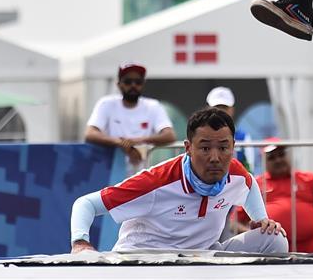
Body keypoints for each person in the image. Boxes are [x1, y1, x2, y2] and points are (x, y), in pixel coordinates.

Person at [70, 108, 288, 255]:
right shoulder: (154, 182)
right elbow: (85, 204)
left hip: (204, 257)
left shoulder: (237, 173)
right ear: (188, 148)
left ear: (233, 147)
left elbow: (248, 186)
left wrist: (261, 219)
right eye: (204, 148)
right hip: (144, 262)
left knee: (275, 239)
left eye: (223, 148)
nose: (215, 157)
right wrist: (80, 243)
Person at [236, 140, 313, 253]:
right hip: (273, 245)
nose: (278, 160)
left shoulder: (309, 179)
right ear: (264, 161)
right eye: (272, 157)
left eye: (281, 155)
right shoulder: (256, 184)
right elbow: (235, 220)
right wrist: (254, 236)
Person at [84, 63, 176, 169]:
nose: (133, 85)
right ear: (119, 84)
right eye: (128, 82)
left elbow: (169, 135)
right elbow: (90, 134)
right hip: (112, 173)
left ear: (143, 84)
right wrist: (121, 143)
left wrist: (136, 142)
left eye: (138, 82)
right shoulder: (106, 103)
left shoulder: (153, 106)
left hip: (141, 172)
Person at [205, 86, 253, 170]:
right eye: (217, 107)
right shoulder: (198, 135)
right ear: (208, 108)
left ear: (232, 110)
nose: (220, 111)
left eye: (224, 107)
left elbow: (249, 167)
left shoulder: (243, 137)